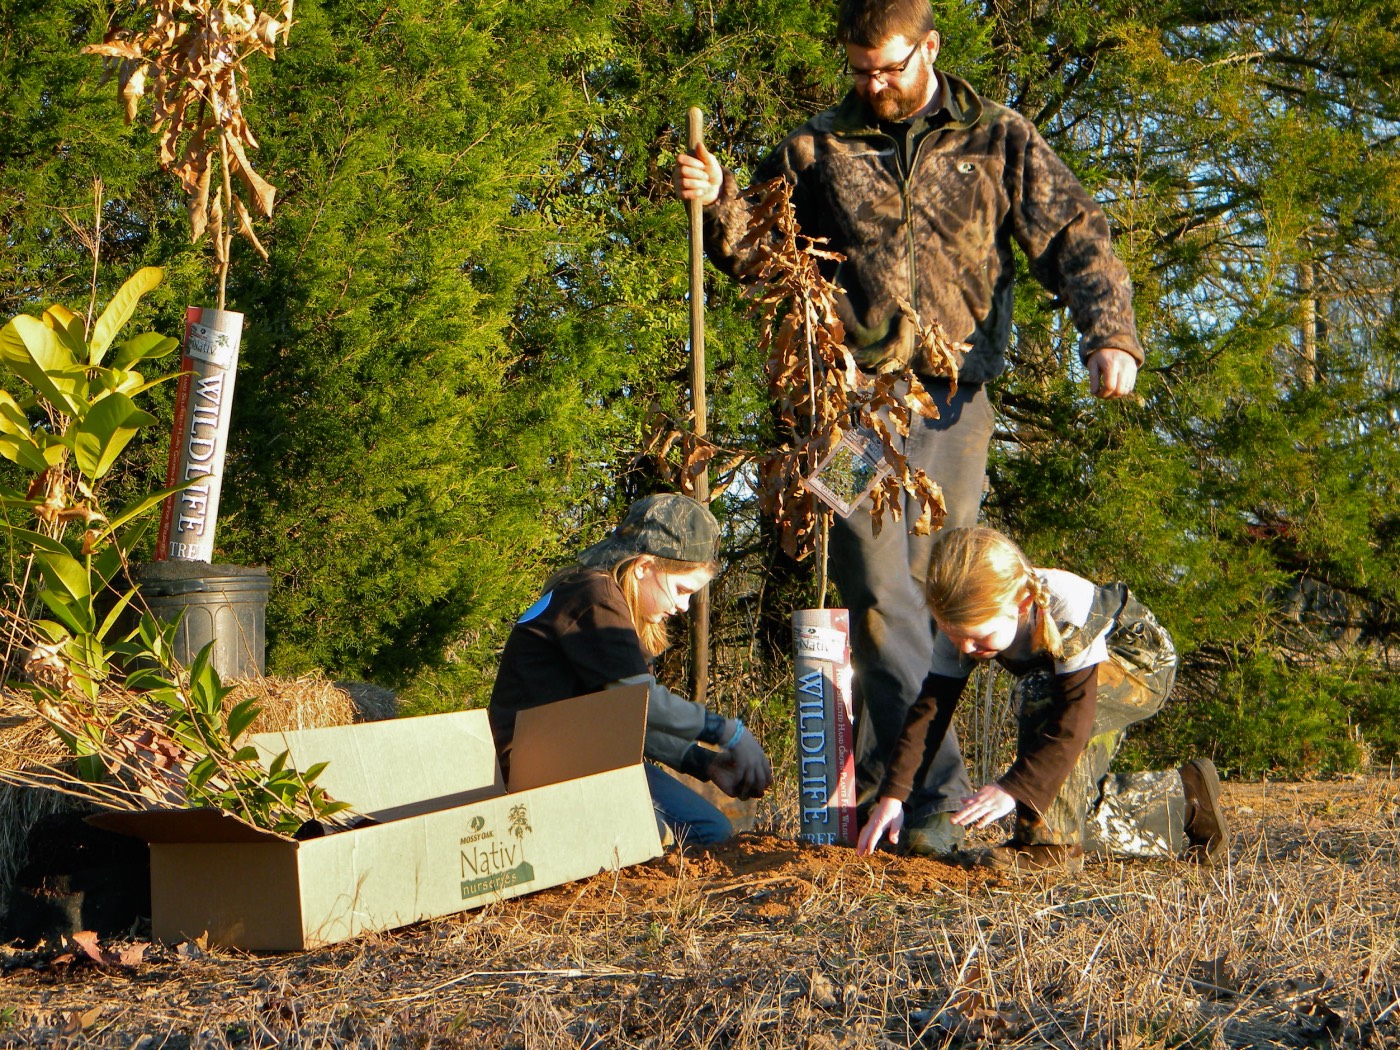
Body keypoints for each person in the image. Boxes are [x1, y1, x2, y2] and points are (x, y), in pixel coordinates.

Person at [675, 0, 1144, 855]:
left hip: (954, 405)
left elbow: (1075, 233)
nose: (874, 84)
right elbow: (761, 250)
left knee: (944, 599)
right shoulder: (817, 146)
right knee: (874, 593)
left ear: (929, 48)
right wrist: (717, 204)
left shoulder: (998, 138)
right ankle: (924, 800)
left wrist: (1108, 332)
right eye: (860, 70)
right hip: (850, 413)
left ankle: (934, 802)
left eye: (889, 68)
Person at [854, 527, 1229, 872]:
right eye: (955, 636)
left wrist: (1014, 787)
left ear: (1021, 603)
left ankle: (1048, 851)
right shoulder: (961, 623)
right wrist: (893, 796)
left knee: (1040, 694)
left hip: (1140, 664)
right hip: (1070, 689)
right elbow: (929, 714)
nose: (965, 647)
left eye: (976, 636)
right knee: (1066, 789)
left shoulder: (1068, 607)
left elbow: (1072, 721)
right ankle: (1187, 798)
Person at [489, 493, 773, 846]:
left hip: (584, 758)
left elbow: (630, 718)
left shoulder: (609, 600)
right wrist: (729, 732)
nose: (684, 606)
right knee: (675, 837)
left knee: (710, 829)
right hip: (540, 771)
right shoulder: (595, 596)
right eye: (682, 590)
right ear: (643, 567)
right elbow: (643, 702)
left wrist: (705, 763)